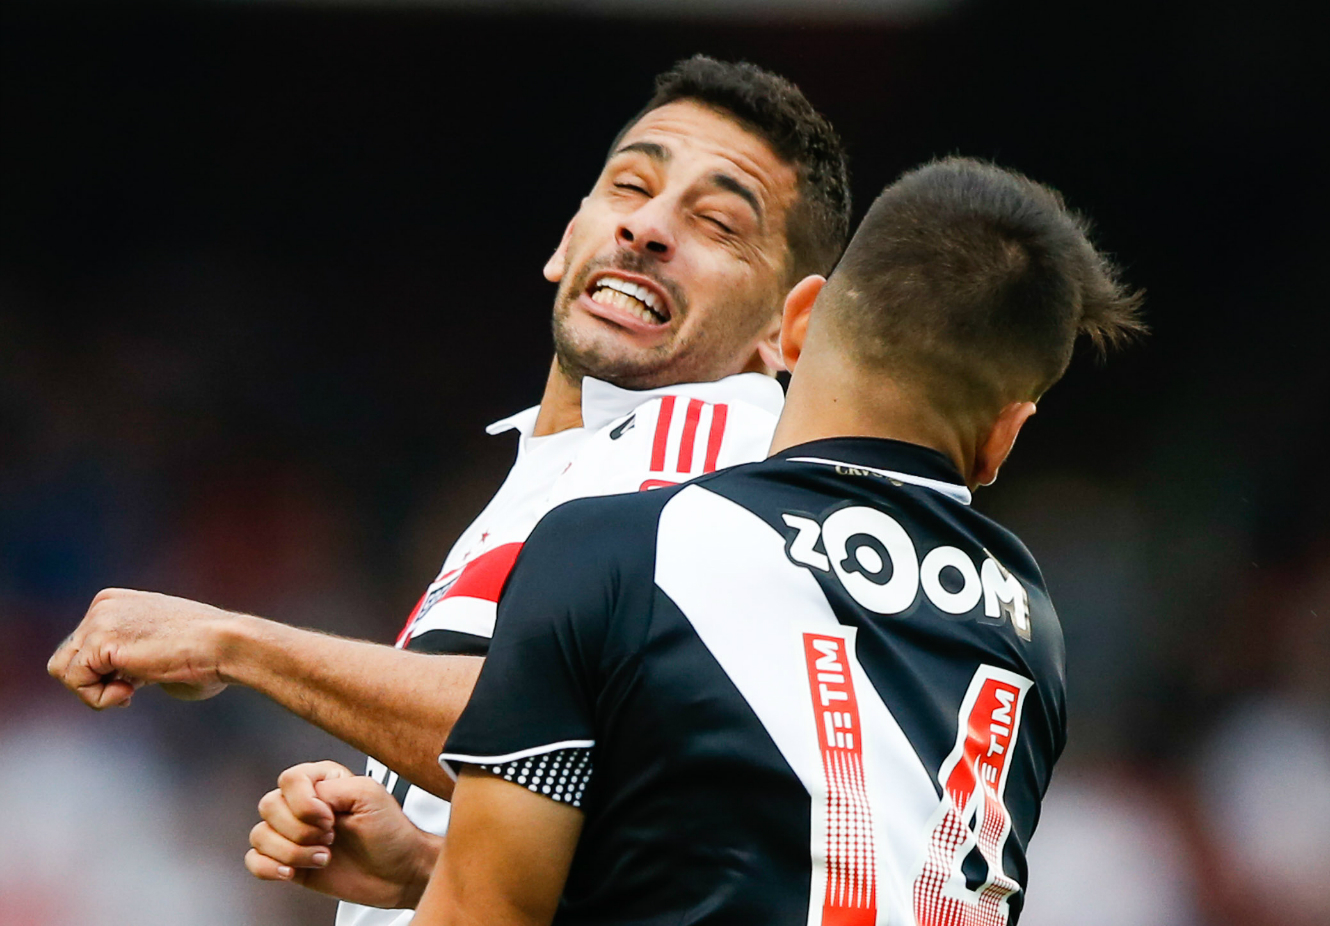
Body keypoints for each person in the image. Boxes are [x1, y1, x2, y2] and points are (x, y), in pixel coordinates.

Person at [44, 56, 853, 926]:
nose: (649, 228)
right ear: (568, 235)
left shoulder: (706, 469)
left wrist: (232, 644)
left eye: (718, 223)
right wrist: (426, 870)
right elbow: (632, 814)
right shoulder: (576, 460)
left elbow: (553, 739)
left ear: (789, 327)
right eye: (629, 186)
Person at [246, 157, 1144, 925]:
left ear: (798, 321)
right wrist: (419, 868)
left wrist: (441, 881)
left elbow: (490, 913)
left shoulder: (625, 547)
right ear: (1005, 435)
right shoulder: (1031, 633)